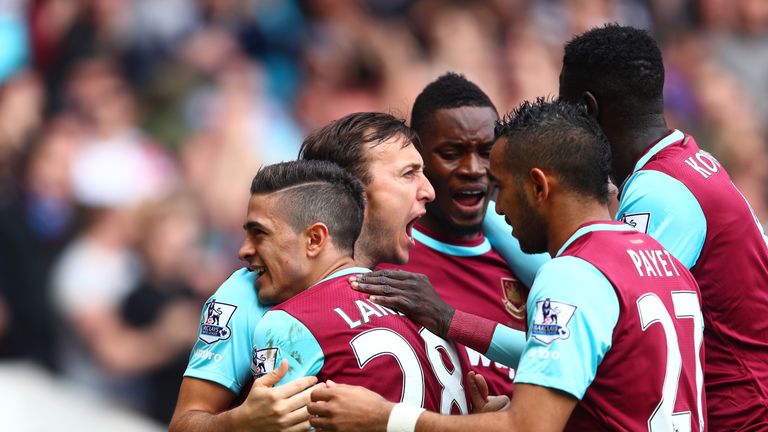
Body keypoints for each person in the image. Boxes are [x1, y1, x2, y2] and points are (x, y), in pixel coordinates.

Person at [308, 98, 706, 432]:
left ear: (538, 186)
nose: (494, 206)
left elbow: (528, 427)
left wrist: (386, 418)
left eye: (499, 186)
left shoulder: (573, 275)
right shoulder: (665, 263)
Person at [558, 24, 768, 430]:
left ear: (588, 109)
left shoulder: (658, 191)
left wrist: (458, 321)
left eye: (565, 111)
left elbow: (607, 334)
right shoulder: (688, 160)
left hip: (743, 415)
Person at [169, 112, 435, 432]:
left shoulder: (412, 293)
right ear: (353, 194)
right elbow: (184, 423)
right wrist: (239, 424)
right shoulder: (249, 292)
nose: (429, 190)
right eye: (409, 174)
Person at [248, 159, 469, 415]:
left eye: (259, 233)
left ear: (314, 239)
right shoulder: (430, 313)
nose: (244, 250)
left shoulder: (289, 323)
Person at [376, 72, 530, 397]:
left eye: (486, 152)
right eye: (451, 154)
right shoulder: (385, 260)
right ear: (417, 159)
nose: (473, 168)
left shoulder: (531, 257)